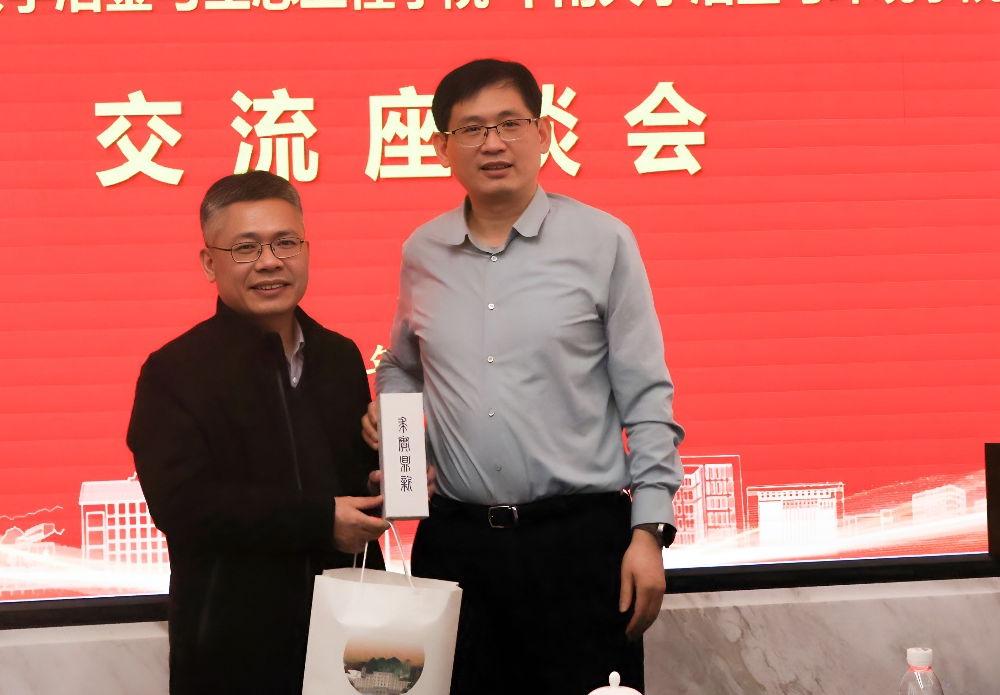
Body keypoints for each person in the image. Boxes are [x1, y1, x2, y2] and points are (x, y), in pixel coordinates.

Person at [363, 59, 685, 694]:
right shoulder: (422, 252)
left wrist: (649, 532)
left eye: (510, 123)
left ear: (543, 134)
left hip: (579, 543)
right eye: (472, 129)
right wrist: (406, 455)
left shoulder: (603, 241)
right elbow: (401, 364)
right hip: (457, 547)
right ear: (442, 147)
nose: (493, 143)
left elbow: (646, 394)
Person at [129, 171, 389, 695]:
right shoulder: (175, 371)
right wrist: (319, 521)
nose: (270, 262)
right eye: (246, 248)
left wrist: (392, 481)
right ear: (210, 263)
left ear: (306, 251)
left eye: (285, 243)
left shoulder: (340, 356)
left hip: (349, 640)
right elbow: (181, 506)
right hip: (234, 650)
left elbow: (350, 487)